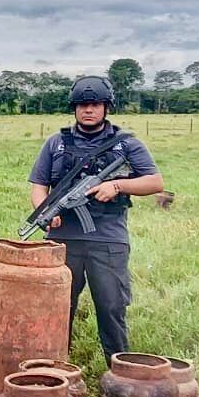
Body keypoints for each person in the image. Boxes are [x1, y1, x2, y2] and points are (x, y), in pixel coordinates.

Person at [27, 75, 163, 358]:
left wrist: (117, 186)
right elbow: (39, 185)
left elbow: (154, 182)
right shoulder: (56, 143)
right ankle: (52, 367)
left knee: (111, 306)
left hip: (108, 239)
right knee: (58, 306)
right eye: (82, 105)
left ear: (106, 107)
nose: (88, 110)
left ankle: (119, 370)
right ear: (74, 108)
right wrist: (45, 212)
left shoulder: (126, 144)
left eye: (95, 105)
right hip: (62, 239)